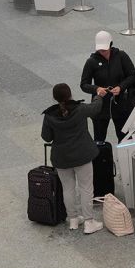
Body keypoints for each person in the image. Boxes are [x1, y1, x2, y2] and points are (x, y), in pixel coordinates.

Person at [40, 83, 104, 233]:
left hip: (61, 158)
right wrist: (98, 95)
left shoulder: (50, 115)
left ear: (55, 98)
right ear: (70, 95)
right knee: (86, 188)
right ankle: (89, 222)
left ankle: (73, 220)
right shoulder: (80, 109)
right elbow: (95, 108)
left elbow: (46, 137)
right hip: (82, 155)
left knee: (68, 188)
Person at [79, 31, 135, 142]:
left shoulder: (121, 56)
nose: (102, 52)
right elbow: (84, 84)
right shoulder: (91, 62)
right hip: (100, 105)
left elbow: (132, 76)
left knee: (124, 137)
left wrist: (121, 87)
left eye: (105, 50)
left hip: (120, 103)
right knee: (99, 138)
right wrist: (97, 89)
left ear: (111, 45)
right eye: (100, 50)